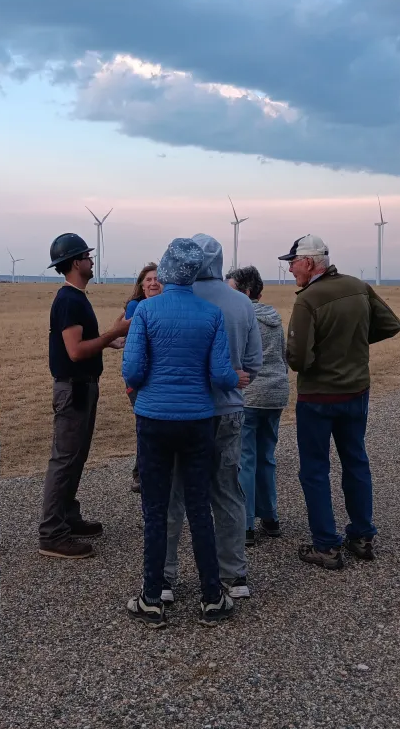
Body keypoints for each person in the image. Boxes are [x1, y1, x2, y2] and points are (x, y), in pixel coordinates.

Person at [123, 238, 238, 627]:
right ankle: (211, 595)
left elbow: (133, 371)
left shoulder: (145, 311)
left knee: (156, 508)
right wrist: (240, 377)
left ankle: (152, 596)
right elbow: (221, 376)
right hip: (197, 420)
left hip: (154, 418)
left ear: (168, 270)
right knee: (199, 506)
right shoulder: (210, 314)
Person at [279, 234, 400, 570]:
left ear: (308, 262)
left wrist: (309, 354)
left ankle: (326, 546)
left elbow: (299, 359)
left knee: (315, 471)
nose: (290, 269)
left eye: (292, 262)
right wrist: (355, 343)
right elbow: (391, 324)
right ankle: (362, 535)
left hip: (318, 397)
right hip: (356, 392)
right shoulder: (359, 286)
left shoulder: (308, 300)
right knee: (356, 461)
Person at [163, 234, 262, 601]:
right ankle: (234, 575)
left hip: (182, 412)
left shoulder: (176, 301)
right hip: (229, 409)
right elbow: (253, 364)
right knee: (227, 491)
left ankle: (165, 576)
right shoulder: (242, 304)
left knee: (173, 494)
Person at [38, 232, 130, 559]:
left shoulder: (77, 297)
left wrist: (113, 341)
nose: (92, 261)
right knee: (64, 459)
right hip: (74, 388)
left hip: (83, 386)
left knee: (75, 456)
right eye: (88, 257)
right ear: (76, 262)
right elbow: (75, 351)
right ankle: (51, 532)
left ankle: (67, 516)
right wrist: (113, 333)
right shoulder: (68, 300)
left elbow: (87, 346)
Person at [226, 266, 289, 546]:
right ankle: (270, 517)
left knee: (246, 460)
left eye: (230, 289)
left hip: (251, 395)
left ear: (245, 292)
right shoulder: (273, 317)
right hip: (276, 394)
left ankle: (247, 523)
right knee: (267, 456)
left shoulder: (242, 315)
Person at [123, 262, 162, 494]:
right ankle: (140, 474)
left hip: (159, 376)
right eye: (148, 280)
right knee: (146, 425)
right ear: (141, 285)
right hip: (139, 376)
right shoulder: (135, 306)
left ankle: (152, 470)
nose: (153, 283)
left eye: (157, 279)